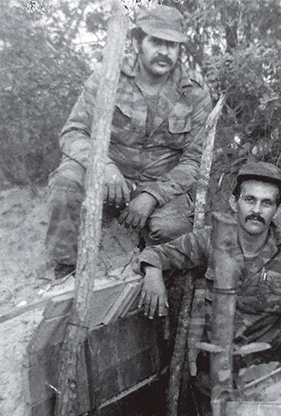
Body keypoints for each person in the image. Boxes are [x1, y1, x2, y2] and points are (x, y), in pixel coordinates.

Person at [46, 5, 212, 278]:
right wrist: (104, 167)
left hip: (161, 184)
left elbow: (194, 159)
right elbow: (73, 133)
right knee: (67, 182)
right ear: (137, 41)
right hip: (109, 179)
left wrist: (152, 195)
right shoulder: (107, 78)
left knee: (173, 230)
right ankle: (65, 271)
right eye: (156, 41)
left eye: (172, 45)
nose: (164, 51)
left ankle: (156, 287)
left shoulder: (194, 92)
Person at [137, 161, 281, 368]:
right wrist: (152, 275)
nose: (256, 210)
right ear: (234, 202)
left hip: (265, 374)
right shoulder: (212, 240)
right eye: (250, 200)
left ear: (278, 210)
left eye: (266, 203)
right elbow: (156, 253)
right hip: (213, 375)